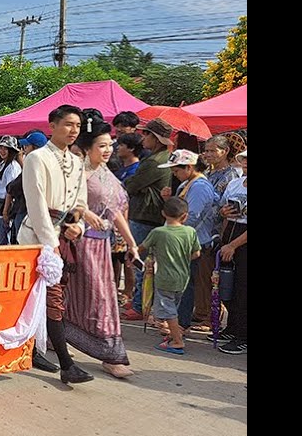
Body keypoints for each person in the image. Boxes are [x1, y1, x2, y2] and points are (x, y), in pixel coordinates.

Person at [17, 105, 94, 385]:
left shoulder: (76, 162)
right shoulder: (37, 158)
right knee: (44, 298)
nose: (73, 130)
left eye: (77, 126)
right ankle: (65, 363)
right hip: (38, 238)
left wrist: (78, 225)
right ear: (52, 125)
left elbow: (81, 203)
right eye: (68, 124)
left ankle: (39, 349)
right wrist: (50, 244)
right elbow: (36, 203)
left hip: (63, 235)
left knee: (51, 298)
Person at [63, 123, 143, 378]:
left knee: (102, 296)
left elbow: (115, 212)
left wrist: (131, 243)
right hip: (78, 244)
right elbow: (63, 202)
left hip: (101, 245)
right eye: (102, 145)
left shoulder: (107, 174)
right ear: (87, 148)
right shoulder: (77, 174)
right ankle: (71, 341)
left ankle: (109, 353)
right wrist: (85, 212)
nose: (109, 149)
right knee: (77, 296)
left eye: (111, 144)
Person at [159, 149, 218, 334]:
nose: (174, 174)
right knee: (183, 284)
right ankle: (178, 322)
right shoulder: (188, 183)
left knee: (187, 286)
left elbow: (192, 216)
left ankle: (181, 324)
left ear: (189, 167)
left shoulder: (199, 187)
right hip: (188, 240)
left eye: (176, 170)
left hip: (195, 242)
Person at [122, 118, 174, 321]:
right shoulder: (160, 157)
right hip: (151, 214)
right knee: (145, 262)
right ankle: (139, 301)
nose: (143, 138)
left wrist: (138, 185)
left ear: (156, 138)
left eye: (147, 134)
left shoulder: (154, 161)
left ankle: (139, 305)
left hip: (145, 214)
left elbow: (131, 185)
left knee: (141, 262)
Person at [139, 197, 202, 355]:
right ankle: (173, 334)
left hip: (164, 279)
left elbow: (142, 247)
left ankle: (177, 341)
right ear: (185, 216)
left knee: (168, 312)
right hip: (182, 278)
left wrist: (131, 254)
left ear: (163, 214)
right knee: (173, 308)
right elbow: (196, 253)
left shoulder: (159, 232)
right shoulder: (190, 232)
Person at [216, 150, 247, 354]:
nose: (245, 163)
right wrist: (223, 213)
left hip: (242, 239)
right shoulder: (236, 183)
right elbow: (223, 209)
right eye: (244, 159)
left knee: (243, 288)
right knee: (227, 283)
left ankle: (243, 335)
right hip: (231, 231)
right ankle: (233, 326)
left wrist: (234, 245)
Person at [0, 136, 22, 245]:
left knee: (0, 240)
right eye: (0, 148)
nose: (2, 151)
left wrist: (5, 212)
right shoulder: (3, 164)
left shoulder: (13, 167)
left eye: (5, 148)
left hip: (3, 207)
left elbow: (10, 191)